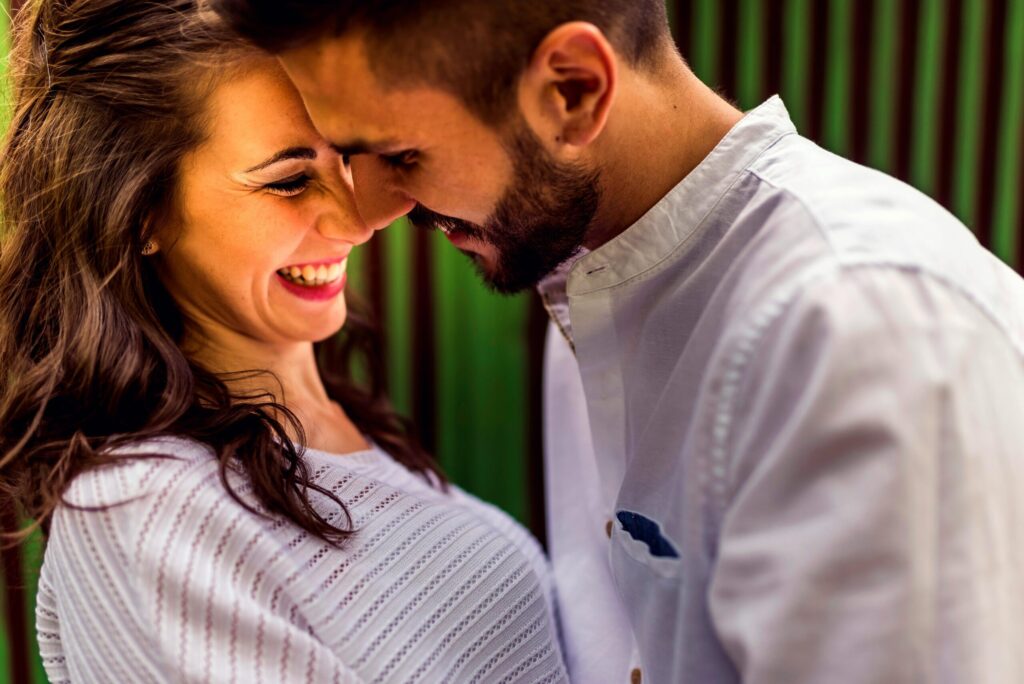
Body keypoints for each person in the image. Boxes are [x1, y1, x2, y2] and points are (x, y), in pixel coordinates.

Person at [209, 1, 1024, 683]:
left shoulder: (857, 333)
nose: (372, 212)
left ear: (573, 90)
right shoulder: (586, 296)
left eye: (398, 155)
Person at [0, 1, 570, 682]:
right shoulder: (146, 508)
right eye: (291, 180)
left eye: (353, 155)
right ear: (138, 208)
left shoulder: (348, 426)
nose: (358, 221)